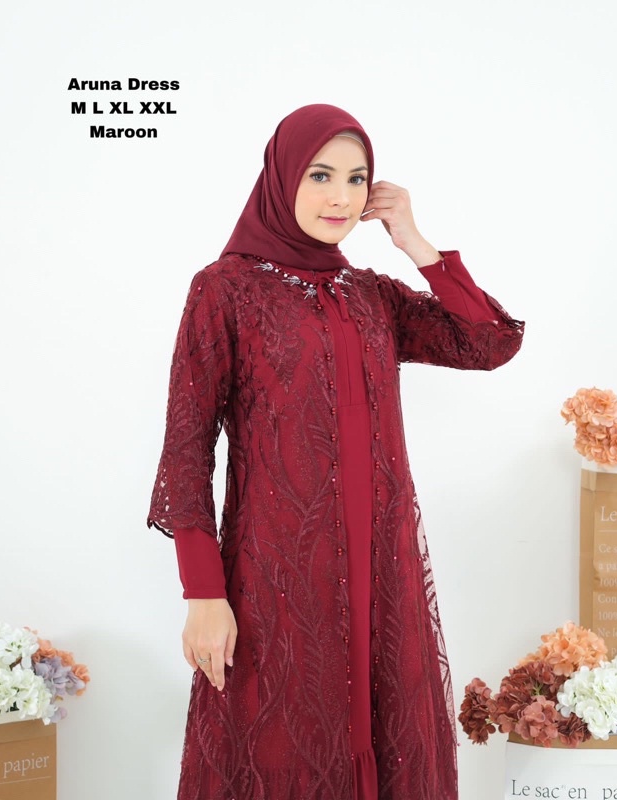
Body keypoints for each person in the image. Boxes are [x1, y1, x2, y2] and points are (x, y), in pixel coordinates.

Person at [147, 103, 524, 800]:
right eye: (320, 175)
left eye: (357, 179)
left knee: (384, 738)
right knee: (280, 745)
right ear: (282, 177)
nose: (340, 197)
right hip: (277, 579)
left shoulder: (371, 294)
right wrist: (203, 594)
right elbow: (186, 449)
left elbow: (489, 342)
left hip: (384, 574)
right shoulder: (226, 290)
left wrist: (416, 243)